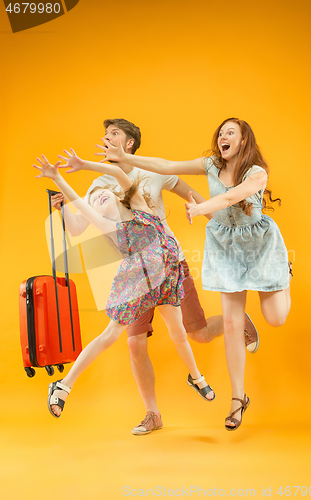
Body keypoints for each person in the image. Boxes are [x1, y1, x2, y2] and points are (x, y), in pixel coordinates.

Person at [51, 118, 259, 435]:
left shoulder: (149, 173)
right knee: (133, 343)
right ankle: (153, 413)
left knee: (197, 334)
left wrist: (226, 223)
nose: (105, 138)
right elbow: (80, 226)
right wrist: (62, 205)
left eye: (113, 134)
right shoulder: (98, 188)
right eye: (104, 135)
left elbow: (195, 197)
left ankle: (235, 325)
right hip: (135, 270)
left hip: (169, 260)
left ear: (129, 142)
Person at [96, 117, 292, 431]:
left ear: (243, 141)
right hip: (227, 245)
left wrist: (201, 209)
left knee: (276, 317)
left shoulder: (257, 173)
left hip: (260, 247)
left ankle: (284, 273)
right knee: (230, 322)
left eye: (232, 133)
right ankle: (238, 400)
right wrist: (126, 158)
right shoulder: (212, 164)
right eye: (221, 132)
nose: (224, 136)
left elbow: (232, 197)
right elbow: (166, 164)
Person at [33, 153, 216, 429]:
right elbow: (80, 204)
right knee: (109, 336)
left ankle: (196, 378)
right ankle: (62, 386)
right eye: (94, 200)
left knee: (178, 332)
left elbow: (120, 176)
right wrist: (58, 178)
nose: (98, 198)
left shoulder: (141, 206)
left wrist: (86, 165)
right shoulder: (109, 227)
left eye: (103, 193)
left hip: (166, 275)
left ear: (118, 195)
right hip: (137, 284)